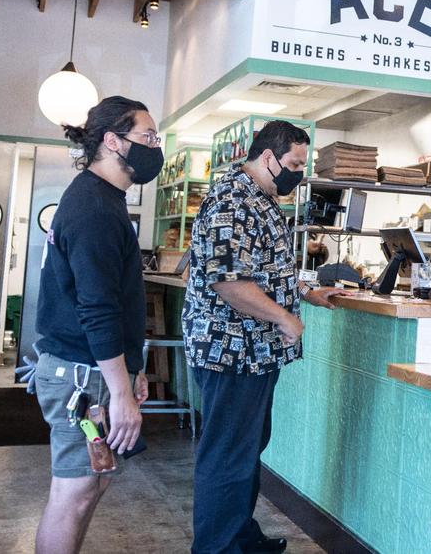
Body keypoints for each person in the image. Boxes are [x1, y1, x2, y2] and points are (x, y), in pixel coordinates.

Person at [184, 121, 348, 554]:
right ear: (269, 157)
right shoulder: (232, 199)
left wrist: (306, 293)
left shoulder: (263, 198)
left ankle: (239, 537)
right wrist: (284, 318)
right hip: (230, 350)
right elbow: (227, 281)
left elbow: (265, 269)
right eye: (294, 163)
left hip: (254, 352)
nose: (298, 172)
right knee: (226, 454)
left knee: (246, 448)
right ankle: (217, 549)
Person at [33, 96, 163, 554]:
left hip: (91, 372)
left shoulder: (103, 200)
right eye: (147, 137)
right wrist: (121, 392)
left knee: (91, 486)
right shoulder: (94, 208)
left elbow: (113, 299)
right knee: (74, 494)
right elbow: (97, 309)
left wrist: (133, 368)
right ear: (113, 140)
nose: (154, 146)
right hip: (81, 378)